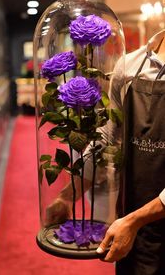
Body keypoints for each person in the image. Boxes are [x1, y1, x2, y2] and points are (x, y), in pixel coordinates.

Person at [46, 29, 165, 274]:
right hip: (130, 227)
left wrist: (135, 220)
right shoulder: (130, 65)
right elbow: (109, 137)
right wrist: (69, 195)